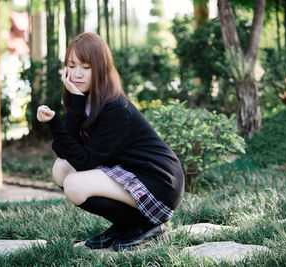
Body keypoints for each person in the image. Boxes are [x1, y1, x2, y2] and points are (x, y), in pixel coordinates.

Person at [36, 32, 184, 251]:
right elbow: (64, 151)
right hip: (128, 174)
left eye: (86, 67)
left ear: (101, 68)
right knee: (61, 169)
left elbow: (85, 162)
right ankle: (127, 225)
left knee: (74, 185)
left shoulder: (115, 108)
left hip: (159, 183)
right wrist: (73, 107)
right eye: (72, 65)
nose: (77, 74)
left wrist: (57, 124)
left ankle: (147, 225)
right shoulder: (82, 98)